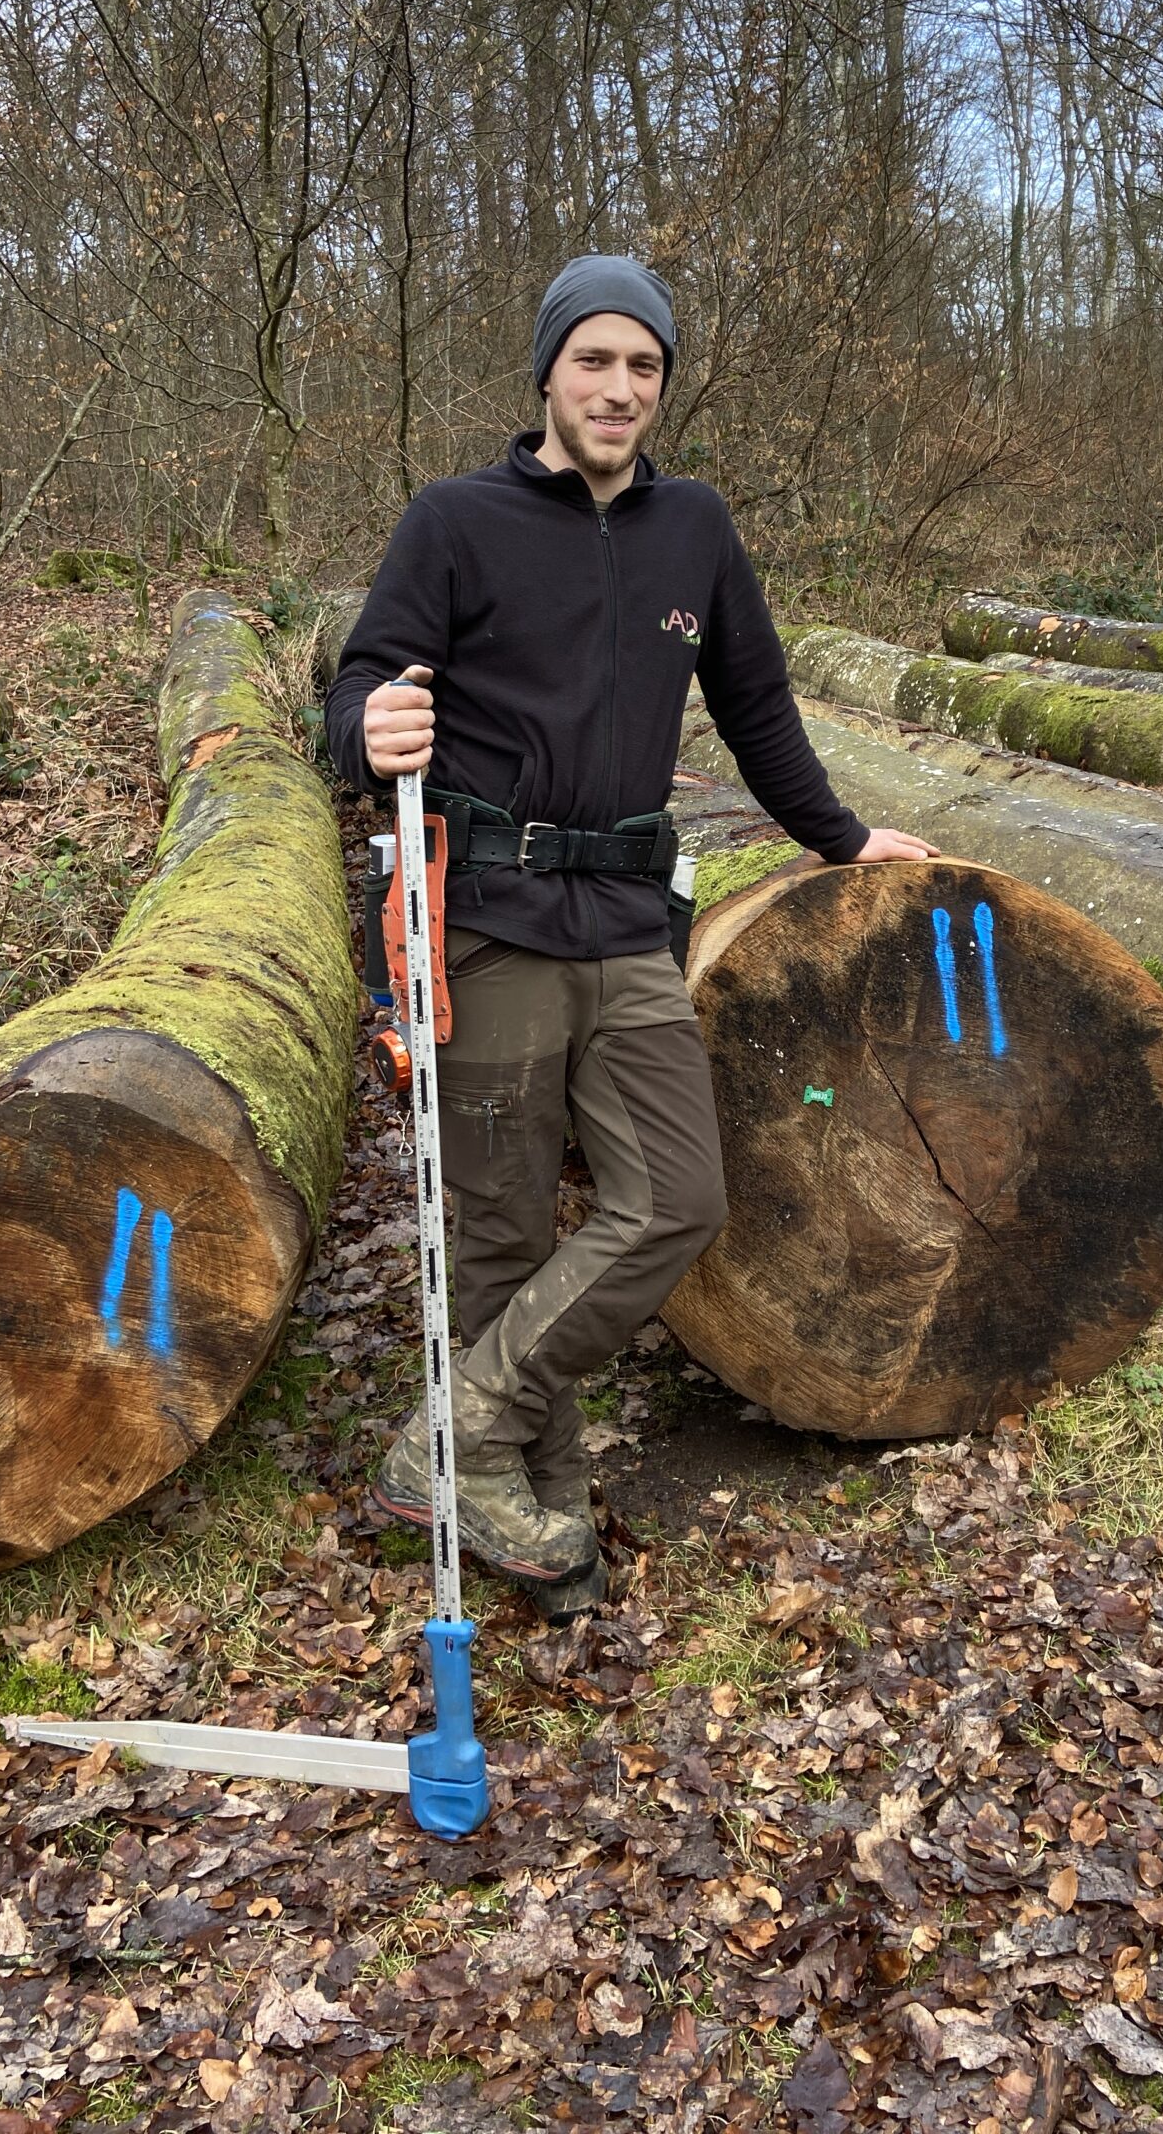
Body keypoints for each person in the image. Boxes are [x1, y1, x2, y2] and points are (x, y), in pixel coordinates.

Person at [324, 254, 933, 1616]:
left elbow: (758, 702)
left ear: (664, 385)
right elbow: (363, 680)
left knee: (675, 1199)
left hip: (626, 923)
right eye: (593, 360)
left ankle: (451, 1426)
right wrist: (364, 724)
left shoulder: (695, 531)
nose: (617, 387)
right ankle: (520, 1495)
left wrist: (839, 837)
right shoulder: (456, 521)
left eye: (642, 366)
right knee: (497, 1230)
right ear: (547, 372)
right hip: (484, 918)